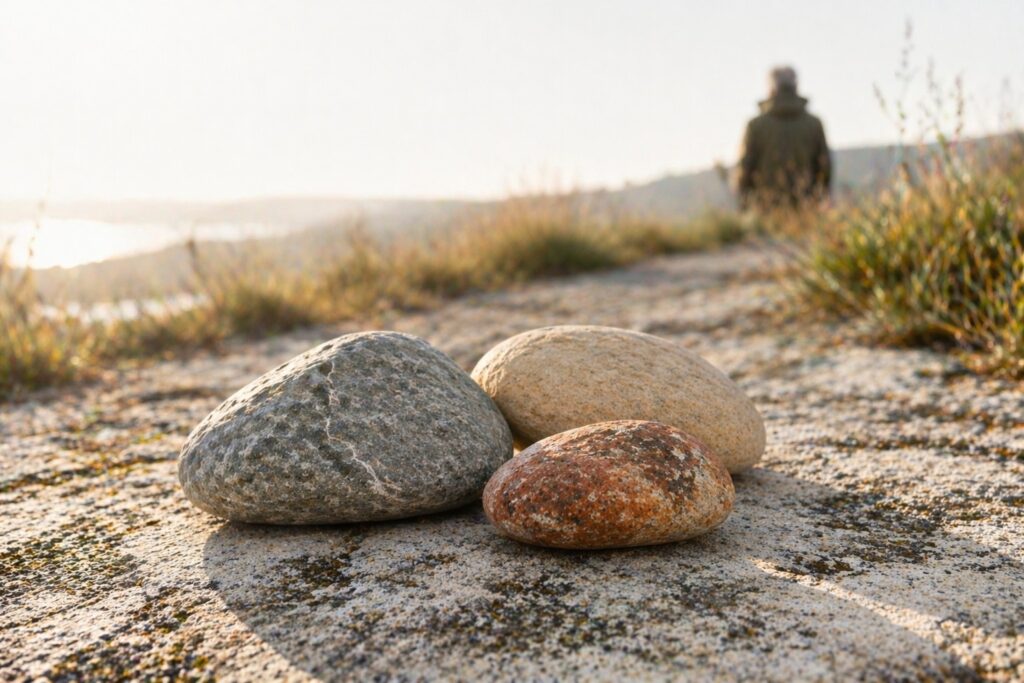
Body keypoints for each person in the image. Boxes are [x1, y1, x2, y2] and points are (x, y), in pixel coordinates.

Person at [736, 66, 831, 210]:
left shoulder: (756, 126)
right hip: (807, 211)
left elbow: (744, 171)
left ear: (771, 88)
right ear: (796, 86)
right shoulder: (814, 124)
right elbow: (825, 169)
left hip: (765, 211)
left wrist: (745, 206)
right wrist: (818, 200)